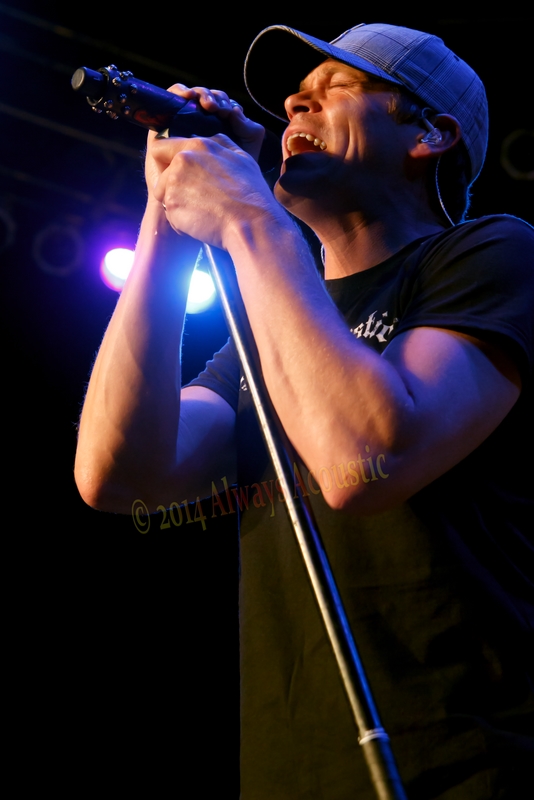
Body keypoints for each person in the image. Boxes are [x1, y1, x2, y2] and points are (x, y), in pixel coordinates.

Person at [75, 22, 534, 799]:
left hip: (467, 762)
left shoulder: (492, 254)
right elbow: (120, 476)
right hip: (294, 770)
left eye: (337, 89)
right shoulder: (267, 333)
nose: (294, 103)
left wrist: (253, 222)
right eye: (295, 97)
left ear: (430, 134)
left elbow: (364, 460)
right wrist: (167, 219)